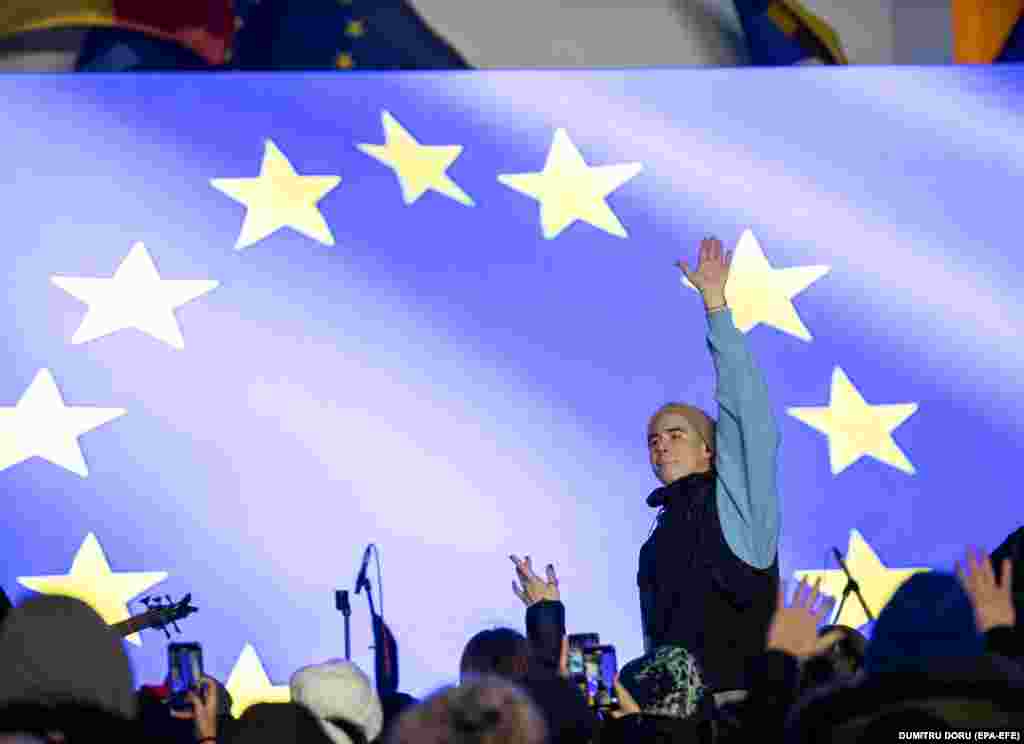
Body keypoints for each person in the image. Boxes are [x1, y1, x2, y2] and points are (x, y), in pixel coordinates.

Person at [639, 236, 781, 702]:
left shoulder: (737, 506)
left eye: (676, 434)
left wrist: (716, 306)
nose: (661, 446)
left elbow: (747, 415)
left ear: (710, 451)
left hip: (745, 717)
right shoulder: (654, 545)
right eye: (653, 441)